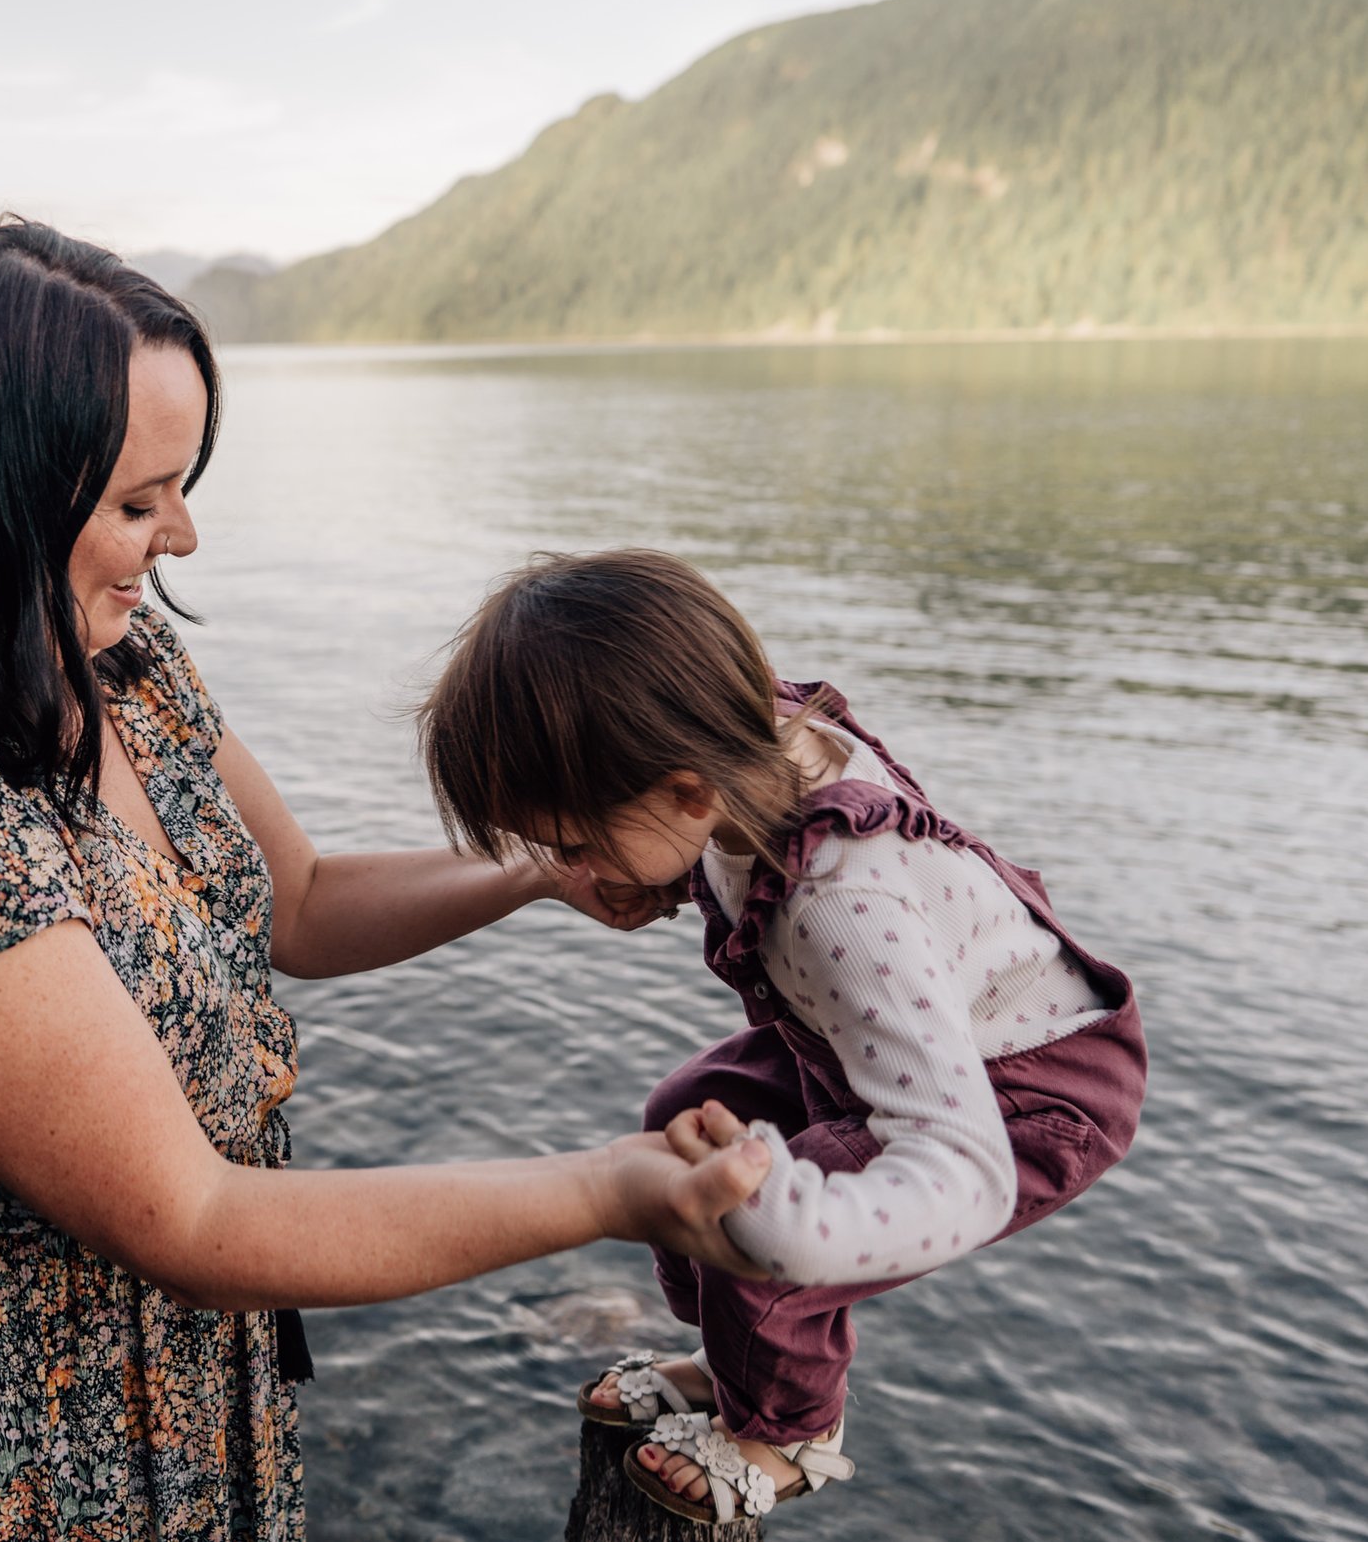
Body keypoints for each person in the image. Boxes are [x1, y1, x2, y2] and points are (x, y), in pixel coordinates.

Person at [0, 221, 772, 1539]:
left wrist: (538, 872)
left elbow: (304, 899)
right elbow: (191, 1214)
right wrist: (615, 1191)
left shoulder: (124, 670)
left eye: (182, 484)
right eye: (137, 500)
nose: (185, 535)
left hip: (186, 1387)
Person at [417, 548, 1148, 1526]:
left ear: (686, 793)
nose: (569, 867)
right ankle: (735, 1371)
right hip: (876, 1039)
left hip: (1019, 1092)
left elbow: (967, 1167)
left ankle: (787, 1432)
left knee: (748, 1232)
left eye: (576, 844)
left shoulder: (842, 902)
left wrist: (798, 1234)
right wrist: (663, 875)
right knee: (680, 1118)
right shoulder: (741, 745)